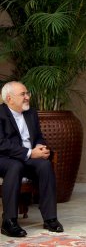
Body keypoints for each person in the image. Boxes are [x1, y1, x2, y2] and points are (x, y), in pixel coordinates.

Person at [0, 81, 63, 237]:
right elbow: (1, 143)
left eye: (27, 93)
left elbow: (38, 137)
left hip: (28, 157)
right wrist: (29, 153)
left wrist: (41, 148)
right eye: (23, 94)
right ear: (9, 98)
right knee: (15, 166)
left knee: (45, 166)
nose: (27, 97)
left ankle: (50, 219)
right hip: (5, 158)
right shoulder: (0, 114)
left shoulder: (31, 113)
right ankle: (9, 222)